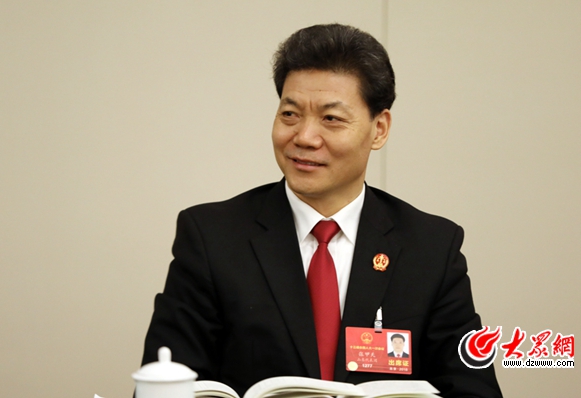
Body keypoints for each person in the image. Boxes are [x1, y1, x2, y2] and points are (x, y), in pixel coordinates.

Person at [141, 24, 502, 397]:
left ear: (379, 129)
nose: (304, 137)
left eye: (331, 119)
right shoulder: (212, 237)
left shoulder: (431, 247)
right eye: (290, 114)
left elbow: (474, 389)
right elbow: (161, 385)